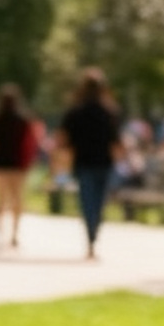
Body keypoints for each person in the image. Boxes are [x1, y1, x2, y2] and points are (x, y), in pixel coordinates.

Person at [58, 69, 124, 261]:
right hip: (104, 163)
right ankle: (94, 235)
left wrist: (61, 160)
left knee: (87, 202)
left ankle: (90, 238)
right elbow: (116, 141)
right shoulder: (109, 112)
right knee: (100, 202)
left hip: (84, 163)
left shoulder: (75, 111)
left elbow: (63, 140)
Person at [0, 85, 40, 251]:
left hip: (0, 164)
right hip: (18, 164)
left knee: (1, 198)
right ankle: (14, 234)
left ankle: (1, 232)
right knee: (17, 199)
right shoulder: (24, 120)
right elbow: (31, 143)